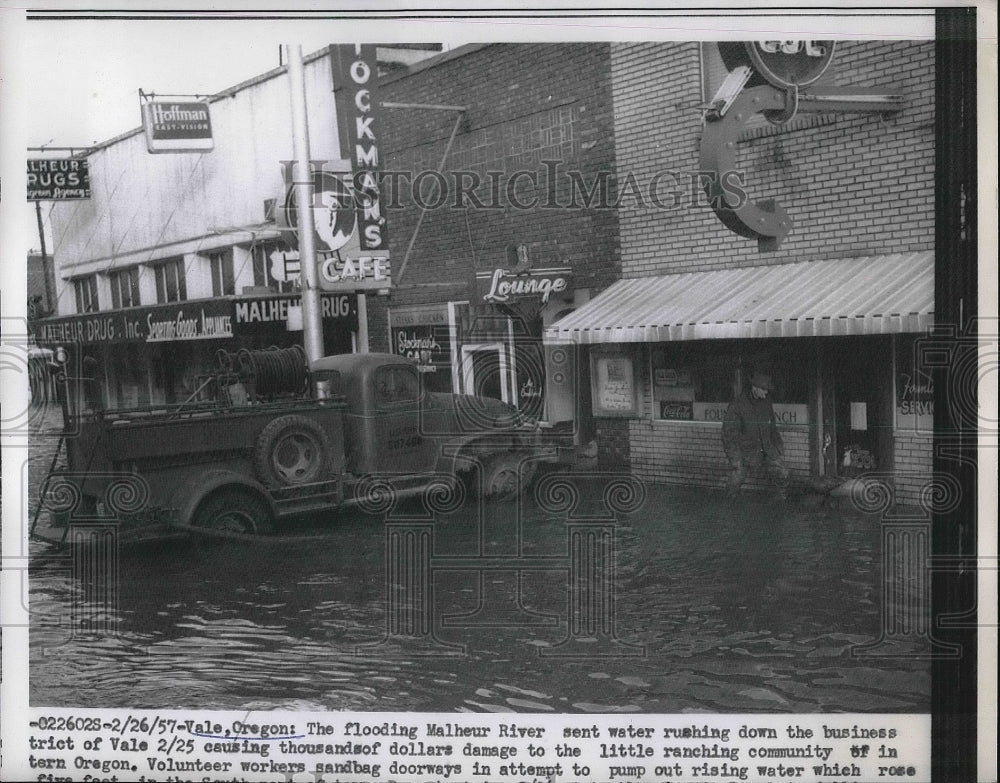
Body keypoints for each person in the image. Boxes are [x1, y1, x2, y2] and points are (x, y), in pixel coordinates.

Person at [721, 371, 789, 498]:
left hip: (767, 449)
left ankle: (782, 500)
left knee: (783, 472)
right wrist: (735, 458)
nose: (766, 392)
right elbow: (728, 435)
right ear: (754, 388)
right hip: (746, 452)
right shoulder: (737, 405)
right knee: (736, 478)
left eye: (767, 389)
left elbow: (772, 427)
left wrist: (778, 447)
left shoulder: (767, 403)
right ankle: (728, 507)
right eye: (764, 389)